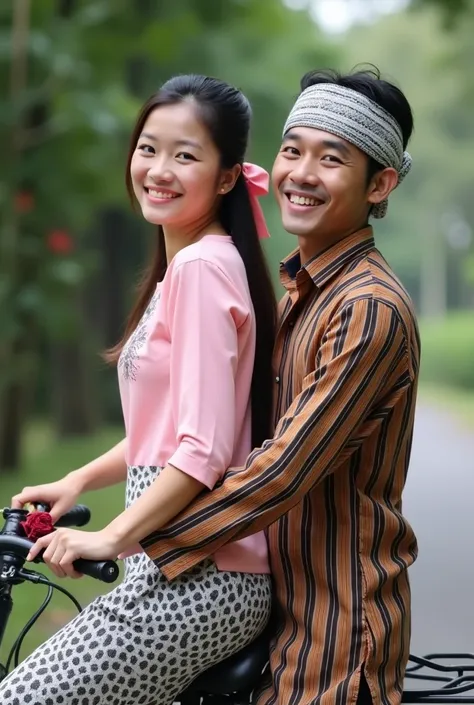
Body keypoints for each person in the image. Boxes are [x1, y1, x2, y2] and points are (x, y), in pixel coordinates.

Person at [135, 68, 421, 705]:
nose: (300, 173)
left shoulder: (367, 308)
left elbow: (282, 472)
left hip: (338, 645)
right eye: (293, 150)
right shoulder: (302, 294)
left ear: (380, 184)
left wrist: (129, 537)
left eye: (331, 159)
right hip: (277, 630)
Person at [1, 74, 277, 705]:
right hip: (176, 564)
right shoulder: (189, 266)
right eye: (148, 148)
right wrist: (78, 481)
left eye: (186, 155)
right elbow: (167, 431)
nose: (158, 169)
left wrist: (110, 536)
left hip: (203, 576)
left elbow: (201, 451)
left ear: (228, 176)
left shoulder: (202, 269)